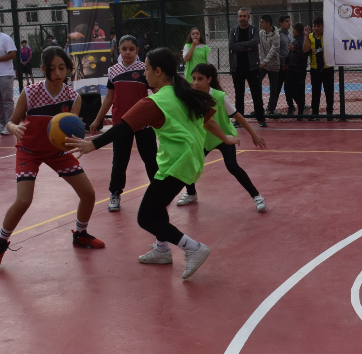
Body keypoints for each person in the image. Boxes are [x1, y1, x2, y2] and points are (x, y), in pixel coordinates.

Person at [66, 48, 237, 279]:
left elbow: (123, 128)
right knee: (157, 208)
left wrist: (92, 145)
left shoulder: (155, 101)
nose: (144, 73)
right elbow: (208, 120)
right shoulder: (184, 92)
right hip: (186, 160)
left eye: (146, 68)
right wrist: (225, 138)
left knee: (146, 217)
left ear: (158, 71)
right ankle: (162, 250)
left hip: (177, 163)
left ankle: (193, 248)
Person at [0, 47, 104, 267]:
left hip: (57, 152)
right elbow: (11, 121)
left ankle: (80, 234)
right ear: (42, 69)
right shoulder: (30, 92)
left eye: (62, 68)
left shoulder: (73, 97)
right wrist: (14, 128)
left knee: (88, 194)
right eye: (52, 68)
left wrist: (76, 134)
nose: (58, 73)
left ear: (68, 69)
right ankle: (0, 242)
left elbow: (70, 129)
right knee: (24, 200)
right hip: (29, 151)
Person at [176, 62, 267, 210]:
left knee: (232, 166)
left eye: (200, 79)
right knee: (190, 163)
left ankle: (257, 196)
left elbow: (238, 116)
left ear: (209, 79)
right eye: (194, 78)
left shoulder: (219, 96)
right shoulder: (193, 96)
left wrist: (253, 134)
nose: (196, 82)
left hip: (224, 136)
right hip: (205, 138)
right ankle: (191, 194)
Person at [90, 35, 157, 213]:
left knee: (150, 159)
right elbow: (109, 98)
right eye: (124, 49)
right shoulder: (113, 71)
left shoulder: (144, 69)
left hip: (143, 122)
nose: (128, 52)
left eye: (131, 49)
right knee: (119, 161)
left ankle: (158, 193)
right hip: (121, 123)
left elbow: (158, 93)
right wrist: (97, 119)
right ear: (118, 50)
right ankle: (115, 193)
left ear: (137, 51)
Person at [228, 7, 267, 127]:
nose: (242, 18)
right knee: (239, 95)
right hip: (237, 68)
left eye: (244, 16)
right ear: (238, 17)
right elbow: (231, 45)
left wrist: (239, 45)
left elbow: (255, 42)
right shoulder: (234, 31)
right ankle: (239, 120)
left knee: (257, 94)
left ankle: (261, 119)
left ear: (248, 17)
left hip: (252, 67)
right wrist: (246, 47)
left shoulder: (254, 29)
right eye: (240, 16)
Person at [304, 16, 335, 121]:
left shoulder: (327, 36)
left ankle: (329, 113)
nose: (316, 28)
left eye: (319, 26)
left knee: (329, 92)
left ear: (323, 27)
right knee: (315, 92)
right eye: (315, 26)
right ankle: (315, 112)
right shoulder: (310, 36)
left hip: (327, 68)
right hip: (315, 69)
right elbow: (305, 50)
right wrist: (306, 36)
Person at [267, 14, 293, 115]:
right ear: (281, 23)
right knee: (277, 88)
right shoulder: (278, 35)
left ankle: (292, 105)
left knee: (289, 86)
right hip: (280, 66)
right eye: (286, 21)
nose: (289, 23)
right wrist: (284, 60)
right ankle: (271, 108)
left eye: (289, 21)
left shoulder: (288, 35)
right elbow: (277, 51)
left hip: (288, 65)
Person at [284, 23, 309, 122]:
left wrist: (294, 50)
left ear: (296, 30)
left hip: (299, 69)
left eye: (293, 29)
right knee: (287, 88)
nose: (292, 31)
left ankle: (301, 110)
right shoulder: (294, 40)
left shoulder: (303, 40)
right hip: (291, 68)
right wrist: (286, 63)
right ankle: (292, 106)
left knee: (299, 90)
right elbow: (290, 53)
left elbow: (304, 55)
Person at [258, 15, 281, 119]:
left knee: (273, 88)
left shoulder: (276, 35)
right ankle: (259, 107)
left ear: (268, 23)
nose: (261, 24)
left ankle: (271, 108)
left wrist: (265, 61)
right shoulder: (261, 33)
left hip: (273, 64)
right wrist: (261, 61)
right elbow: (260, 48)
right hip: (263, 64)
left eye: (262, 22)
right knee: (256, 83)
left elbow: (274, 50)